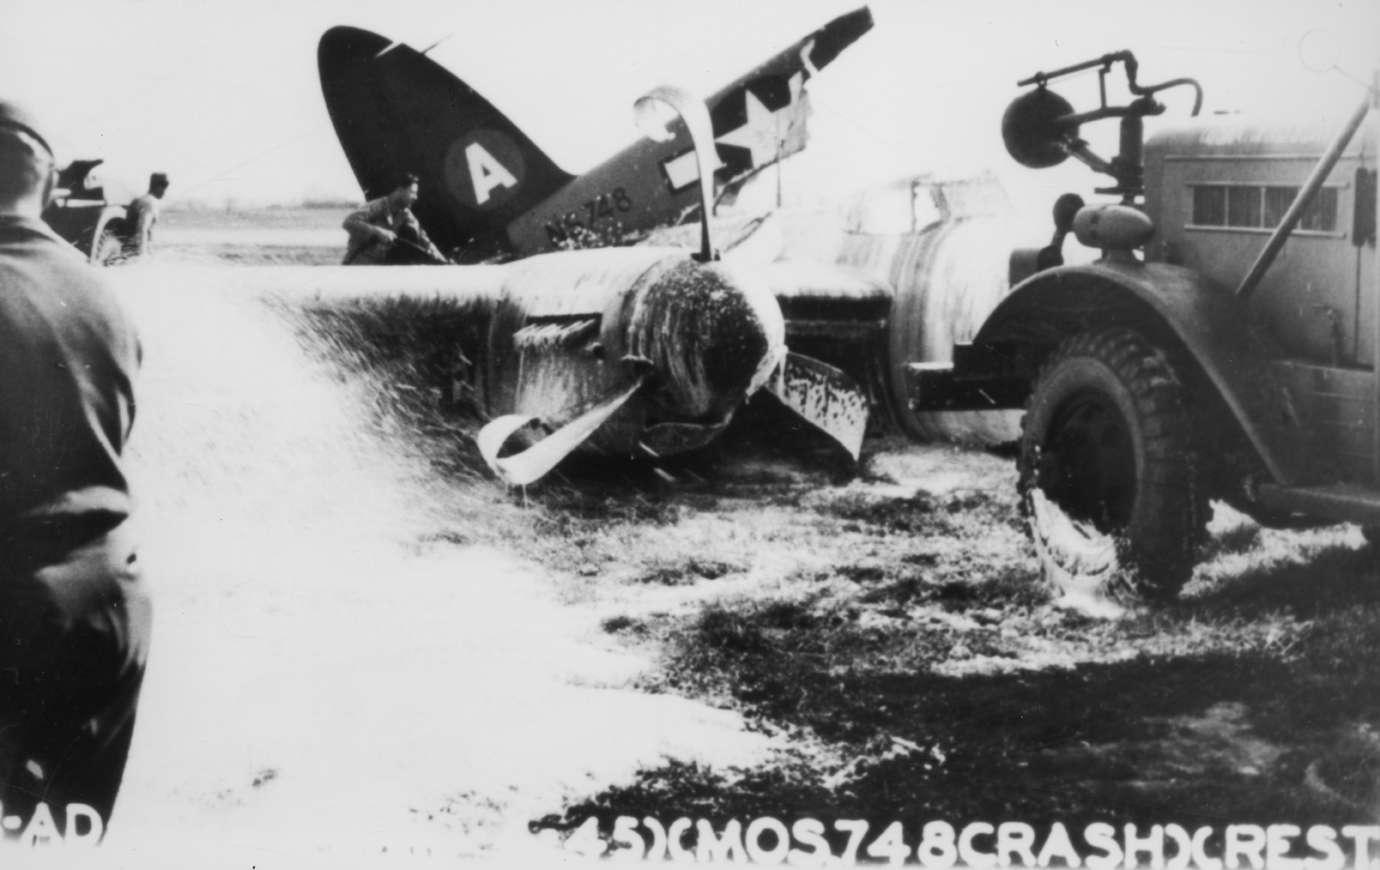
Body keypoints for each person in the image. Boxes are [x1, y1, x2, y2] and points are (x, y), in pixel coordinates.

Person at [0, 100, 151, 845]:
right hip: (109, 615)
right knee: (59, 845)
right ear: (51, 186)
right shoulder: (103, 292)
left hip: (13, 619)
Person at [342, 173, 448, 265]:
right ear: (400, 190)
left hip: (379, 268)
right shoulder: (376, 206)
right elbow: (349, 222)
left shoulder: (405, 213)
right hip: (359, 265)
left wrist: (435, 252)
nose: (416, 197)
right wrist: (378, 232)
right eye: (412, 192)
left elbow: (421, 236)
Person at [123, 172, 168, 258]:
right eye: (164, 186)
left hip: (130, 249)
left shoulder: (140, 200)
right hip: (136, 252)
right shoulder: (150, 202)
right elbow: (142, 229)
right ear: (155, 186)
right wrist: (143, 256)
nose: (164, 190)